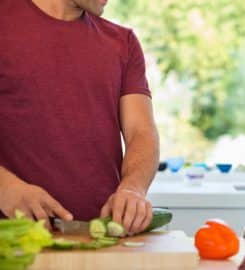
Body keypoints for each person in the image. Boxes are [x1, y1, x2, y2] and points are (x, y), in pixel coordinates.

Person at [0, 0, 160, 235]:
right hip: (12, 243)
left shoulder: (122, 43)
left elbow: (141, 132)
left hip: (98, 241)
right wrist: (5, 188)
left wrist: (133, 189)